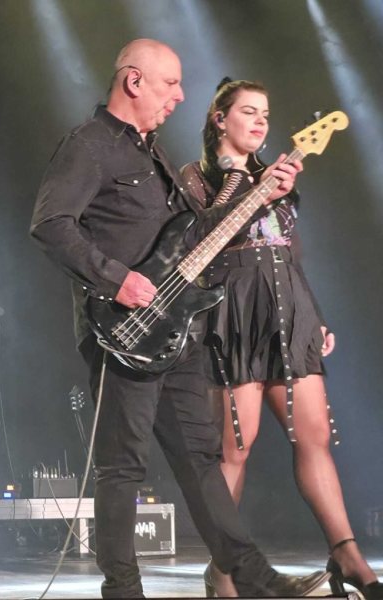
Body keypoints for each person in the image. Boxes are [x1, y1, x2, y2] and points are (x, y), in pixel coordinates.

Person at [30, 38, 327, 598]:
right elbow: (50, 225)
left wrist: (261, 195)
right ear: (134, 81)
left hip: (178, 330)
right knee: (123, 467)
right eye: (170, 83)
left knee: (202, 460)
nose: (181, 95)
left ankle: (255, 581)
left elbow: (198, 237)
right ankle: (123, 590)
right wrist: (115, 278)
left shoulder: (156, 154)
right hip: (123, 332)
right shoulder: (89, 145)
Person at [180, 78, 382, 599]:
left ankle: (347, 556)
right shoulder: (196, 178)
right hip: (234, 313)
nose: (260, 121)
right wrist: (249, 187)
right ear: (219, 119)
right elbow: (201, 241)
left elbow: (290, 254)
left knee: (314, 437)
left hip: (289, 312)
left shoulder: (280, 179)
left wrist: (316, 317)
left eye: (265, 113)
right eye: (249, 111)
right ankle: (223, 570)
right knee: (234, 449)